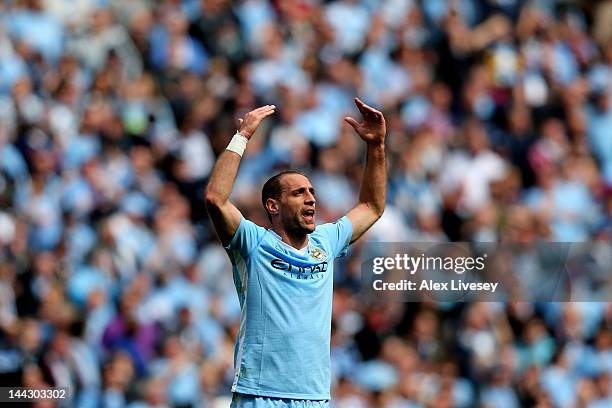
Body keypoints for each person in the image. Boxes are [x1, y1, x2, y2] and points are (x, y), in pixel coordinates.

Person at [204, 98, 386, 407]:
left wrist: (377, 146)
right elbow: (215, 199)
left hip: (314, 398)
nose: (311, 199)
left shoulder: (325, 243)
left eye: (312, 192)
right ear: (273, 206)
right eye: (299, 192)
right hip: (261, 393)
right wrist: (242, 136)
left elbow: (371, 207)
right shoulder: (254, 243)